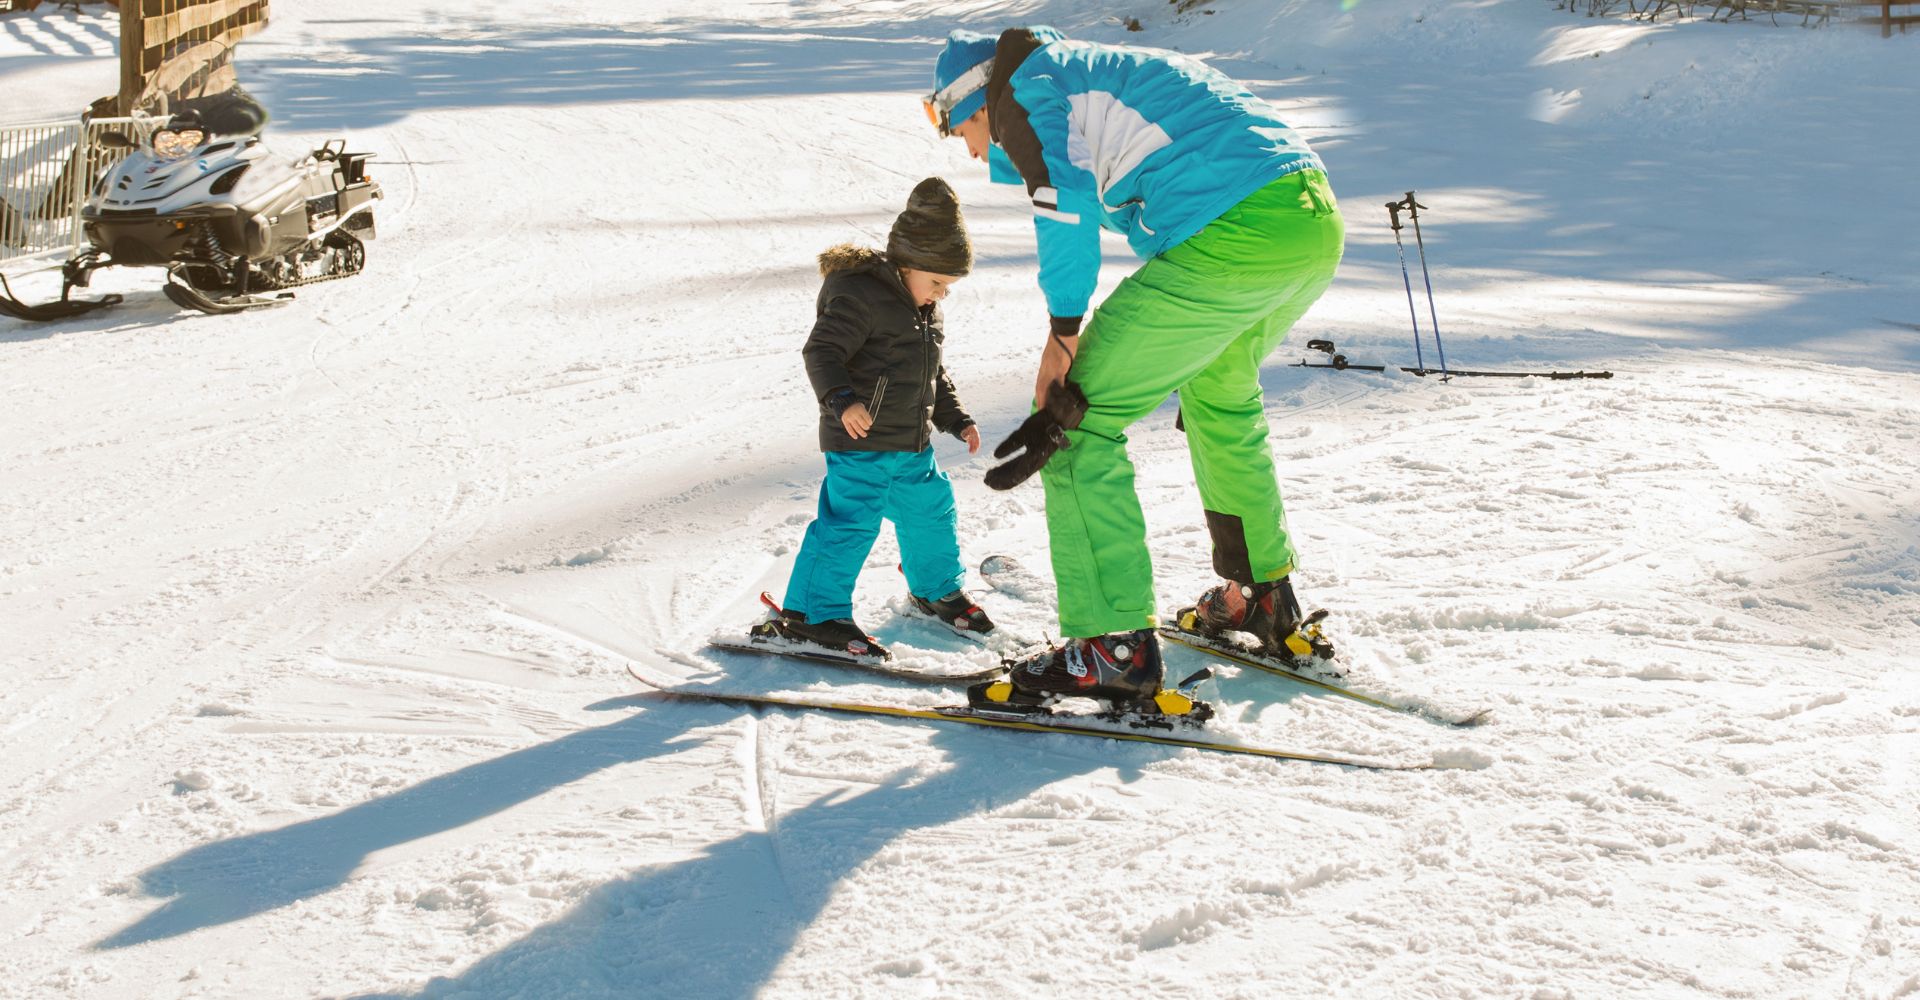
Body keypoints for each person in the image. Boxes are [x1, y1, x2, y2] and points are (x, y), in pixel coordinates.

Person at [924, 27, 1345, 711]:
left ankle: (1108, 650)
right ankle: (1259, 595)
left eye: (957, 130)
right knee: (1220, 391)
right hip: (1308, 223)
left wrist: (1062, 338)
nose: (972, 149)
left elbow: (1066, 206)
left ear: (974, 99)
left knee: (1073, 421)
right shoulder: (1087, 70)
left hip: (1236, 230)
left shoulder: (1025, 90)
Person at [755, 177, 993, 659]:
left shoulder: (922, 308)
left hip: (910, 443)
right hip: (860, 440)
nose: (942, 295)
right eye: (937, 283)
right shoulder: (858, 295)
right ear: (908, 265)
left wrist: (956, 418)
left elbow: (931, 373)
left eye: (948, 287)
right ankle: (812, 615)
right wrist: (843, 401)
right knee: (850, 523)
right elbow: (821, 351)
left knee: (931, 509)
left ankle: (935, 590)